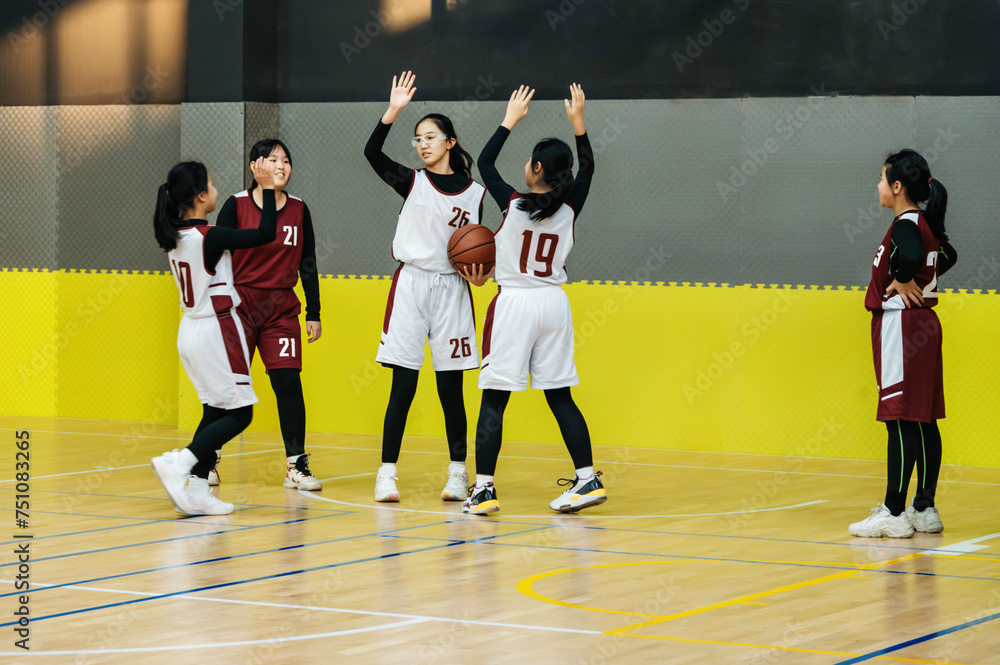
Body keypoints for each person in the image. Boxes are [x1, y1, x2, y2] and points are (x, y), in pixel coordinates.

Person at [463, 83, 606, 515]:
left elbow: (485, 162)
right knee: (560, 396)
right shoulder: (570, 207)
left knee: (494, 397)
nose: (525, 165)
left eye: (529, 161)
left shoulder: (513, 203)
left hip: (515, 305)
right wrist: (579, 124)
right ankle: (587, 478)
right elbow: (588, 168)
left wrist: (510, 119)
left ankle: (484, 489)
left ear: (537, 168)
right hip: (554, 304)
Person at [363, 71, 488, 503]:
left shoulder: (476, 193)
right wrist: (393, 111)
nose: (422, 144)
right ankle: (386, 474)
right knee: (403, 385)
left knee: (451, 389)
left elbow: (477, 249)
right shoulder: (411, 180)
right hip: (411, 286)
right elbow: (371, 153)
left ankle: (458, 474)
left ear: (450, 142)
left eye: (430, 137)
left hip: (453, 288)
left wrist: (480, 275)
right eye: (417, 139)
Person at [151, 158, 278, 515]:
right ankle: (181, 463)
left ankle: (197, 489)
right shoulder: (209, 236)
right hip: (216, 328)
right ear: (200, 196)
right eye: (211, 183)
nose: (216, 189)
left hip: (190, 329)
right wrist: (267, 189)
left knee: (214, 410)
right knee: (241, 414)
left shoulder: (176, 236)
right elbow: (266, 234)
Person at [849, 149, 957, 538]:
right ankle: (924, 508)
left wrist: (904, 276)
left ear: (897, 187)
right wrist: (918, 277)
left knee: (899, 418)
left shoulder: (905, 225)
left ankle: (894, 512)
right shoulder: (925, 224)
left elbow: (910, 254)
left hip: (901, 325)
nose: (877, 185)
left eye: (882, 179)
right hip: (923, 323)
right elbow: (948, 255)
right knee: (922, 418)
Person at [214, 139, 323, 491]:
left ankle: (296, 465)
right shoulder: (236, 205)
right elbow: (217, 257)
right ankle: (209, 458)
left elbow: (308, 261)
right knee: (227, 384)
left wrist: (314, 310)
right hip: (240, 304)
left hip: (280, 308)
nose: (281, 166)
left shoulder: (299, 208)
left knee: (288, 381)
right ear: (254, 166)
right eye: (272, 159)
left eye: (286, 160)